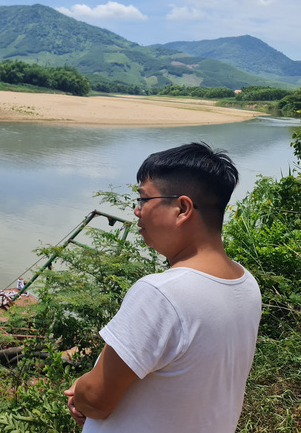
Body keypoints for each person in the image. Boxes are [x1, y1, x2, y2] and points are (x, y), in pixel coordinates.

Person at [64, 142, 262, 432]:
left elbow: (95, 399)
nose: (136, 210)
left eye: (144, 199)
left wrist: (80, 389)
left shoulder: (162, 293)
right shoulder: (246, 284)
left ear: (182, 208)